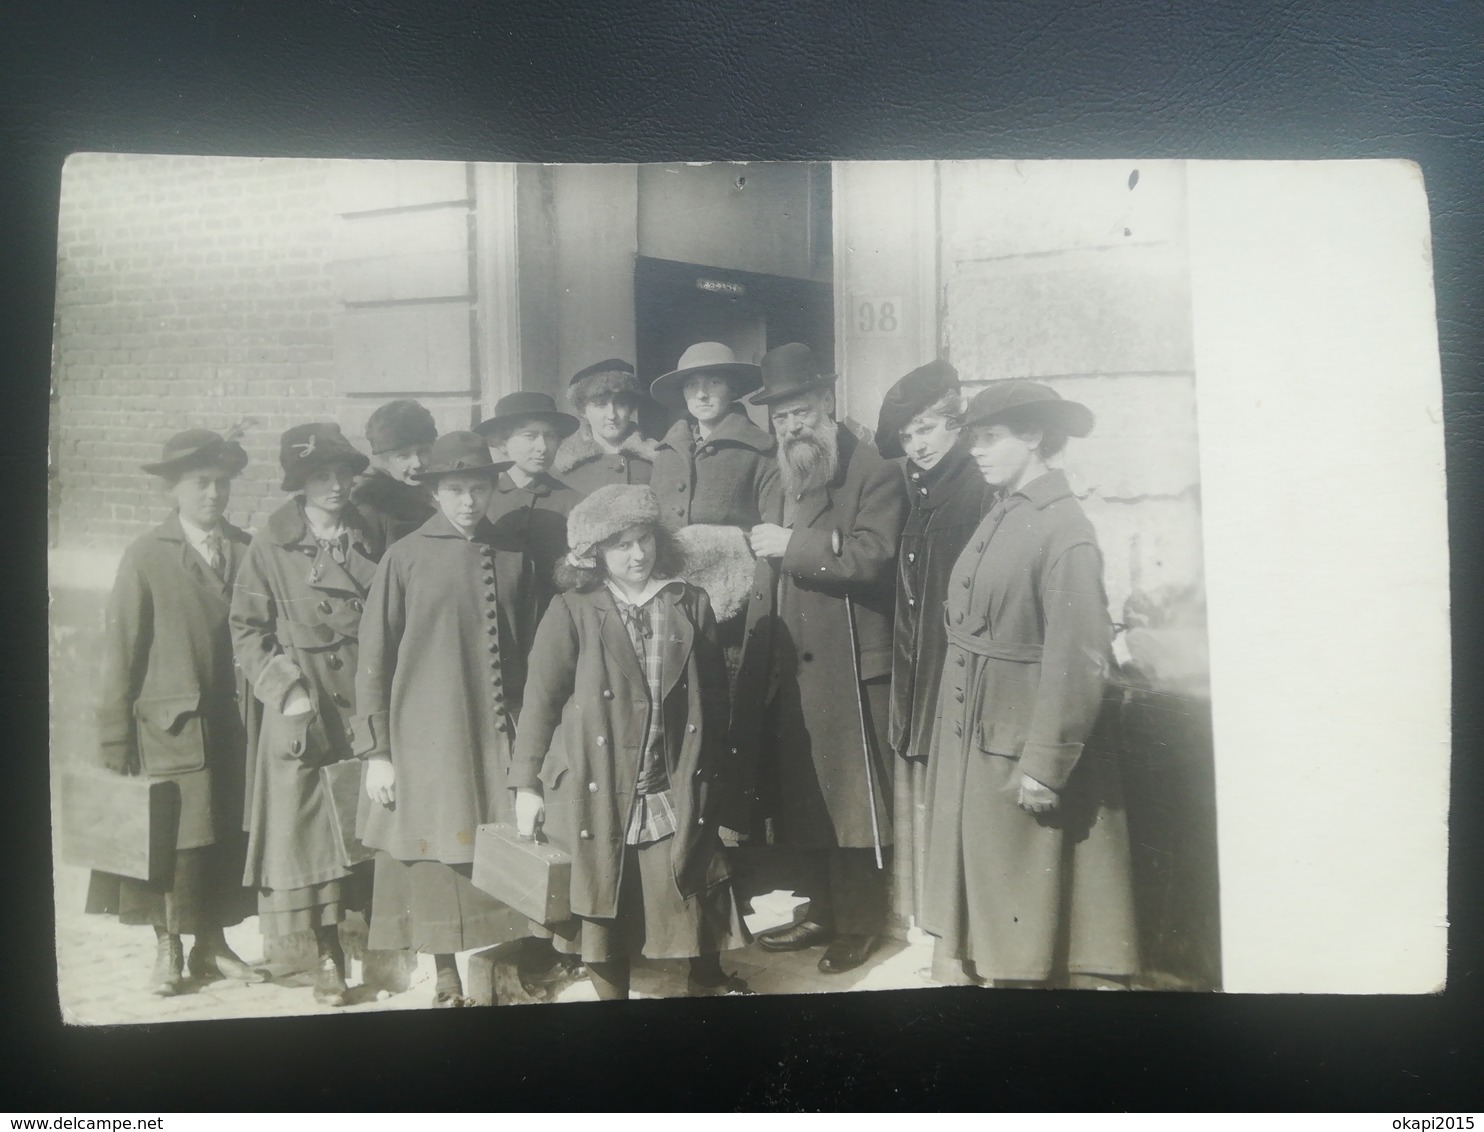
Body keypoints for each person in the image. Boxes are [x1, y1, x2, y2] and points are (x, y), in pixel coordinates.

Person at [920, 381, 1140, 989]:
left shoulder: (1063, 528)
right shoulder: (1007, 508)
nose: (977, 452)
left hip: (1017, 741)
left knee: (1021, 898)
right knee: (989, 893)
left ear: (1034, 437)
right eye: (974, 440)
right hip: (978, 731)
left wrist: (1045, 764)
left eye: (990, 439)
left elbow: (1079, 658)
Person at [511, 485, 752, 1001]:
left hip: (671, 771)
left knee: (690, 870)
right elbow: (540, 701)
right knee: (604, 888)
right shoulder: (573, 608)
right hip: (596, 776)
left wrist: (712, 767)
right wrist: (525, 785)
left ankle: (705, 978)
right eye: (621, 544)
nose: (637, 554)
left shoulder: (687, 602)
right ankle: (610, 997)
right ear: (594, 552)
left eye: (644, 540)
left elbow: (713, 696)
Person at [740, 343, 908, 975]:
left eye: (802, 412)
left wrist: (795, 544)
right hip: (795, 664)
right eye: (782, 418)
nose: (793, 427)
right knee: (804, 795)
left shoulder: (873, 470)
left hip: (849, 665)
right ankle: (820, 914)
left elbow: (872, 557)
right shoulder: (787, 471)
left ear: (828, 404)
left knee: (851, 800)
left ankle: (860, 925)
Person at [85, 429, 262, 995]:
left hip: (233, 727)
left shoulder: (248, 549)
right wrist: (114, 742)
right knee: (172, 844)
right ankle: (168, 948)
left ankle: (213, 945)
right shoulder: (145, 556)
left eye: (222, 483)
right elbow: (120, 655)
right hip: (169, 729)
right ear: (174, 491)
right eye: (199, 483)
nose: (213, 494)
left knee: (223, 838)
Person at [354, 432, 528, 1007]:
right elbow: (374, 659)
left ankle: (512, 954)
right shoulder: (404, 557)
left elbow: (526, 651)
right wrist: (376, 750)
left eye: (479, 488)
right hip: (426, 735)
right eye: (455, 490)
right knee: (434, 853)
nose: (468, 502)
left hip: (494, 730)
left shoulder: (513, 556)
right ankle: (446, 972)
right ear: (434, 493)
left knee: (505, 842)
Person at [231, 422, 382, 1007]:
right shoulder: (270, 545)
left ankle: (385, 949)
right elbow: (246, 631)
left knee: (371, 822)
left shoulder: (369, 536)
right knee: (315, 841)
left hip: (364, 702)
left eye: (343, 473)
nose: (336, 485)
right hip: (306, 707)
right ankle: (328, 959)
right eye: (321, 475)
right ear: (300, 483)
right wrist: (285, 689)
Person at [874, 360, 990, 984]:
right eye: (909, 435)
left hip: (956, 676)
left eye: (928, 428)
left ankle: (960, 948)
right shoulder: (918, 493)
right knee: (926, 803)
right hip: (918, 677)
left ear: (955, 425)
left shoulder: (974, 489)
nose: (917, 444)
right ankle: (935, 937)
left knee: (958, 805)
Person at [649, 341, 780, 688]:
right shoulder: (665, 453)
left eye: (714, 383)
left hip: (732, 619)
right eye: (692, 385)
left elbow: (773, 536)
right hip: (671, 613)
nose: (702, 394)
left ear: (732, 388)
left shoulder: (761, 452)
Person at [476, 391, 583, 665]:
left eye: (550, 436)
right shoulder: (482, 500)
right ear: (501, 441)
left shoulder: (573, 503)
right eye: (529, 436)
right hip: (491, 638)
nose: (542, 446)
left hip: (553, 638)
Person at [552, 359, 659, 497]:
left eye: (620, 404)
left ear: (631, 408)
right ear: (583, 411)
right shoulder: (561, 467)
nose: (612, 415)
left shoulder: (657, 458)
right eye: (600, 405)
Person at [351, 399, 438, 548]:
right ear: (384, 461)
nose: (417, 464)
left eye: (423, 451)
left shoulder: (442, 492)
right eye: (404, 456)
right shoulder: (374, 508)